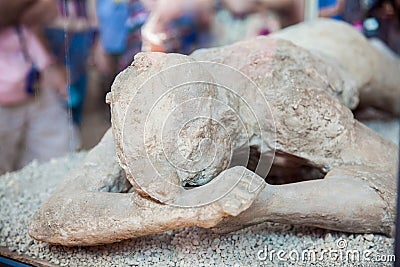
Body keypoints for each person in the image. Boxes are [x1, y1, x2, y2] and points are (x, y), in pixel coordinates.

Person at [0, 0, 75, 175]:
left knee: (52, 150)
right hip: (7, 104)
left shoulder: (22, 32)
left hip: (34, 94)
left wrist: (51, 71)